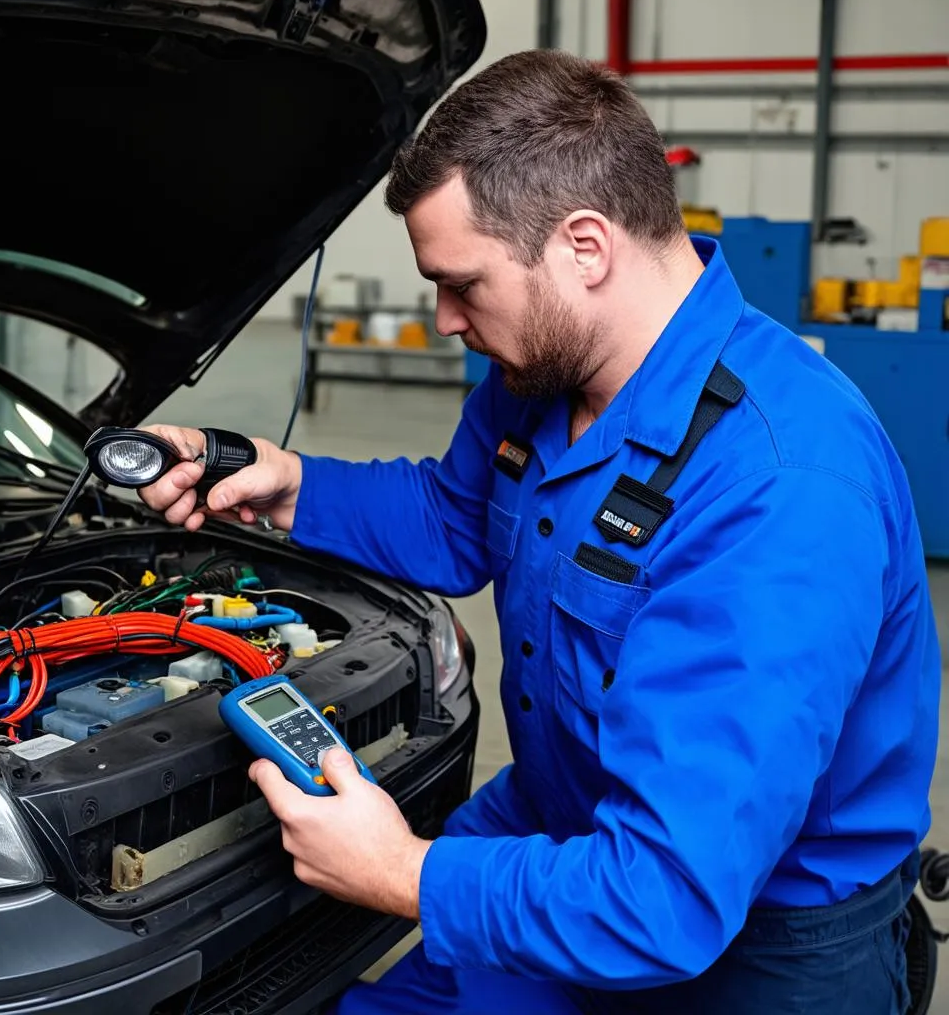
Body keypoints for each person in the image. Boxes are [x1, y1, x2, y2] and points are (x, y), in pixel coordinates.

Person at [136, 50, 941, 1014]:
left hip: (751, 949)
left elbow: (665, 899)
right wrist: (288, 481)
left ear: (585, 248)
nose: (443, 320)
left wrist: (406, 875)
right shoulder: (544, 375)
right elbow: (456, 519)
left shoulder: (781, 486)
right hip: (559, 840)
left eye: (463, 284)